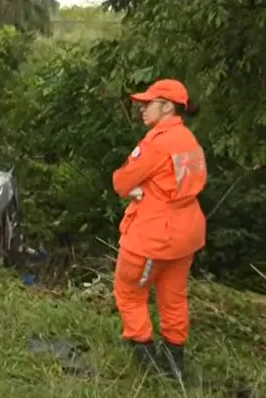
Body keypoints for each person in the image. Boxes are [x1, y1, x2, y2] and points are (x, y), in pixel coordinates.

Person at [112, 79, 206, 379]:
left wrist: (138, 189)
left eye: (148, 103)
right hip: (186, 233)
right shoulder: (189, 140)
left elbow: (121, 182)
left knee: (129, 293)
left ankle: (146, 359)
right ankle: (175, 361)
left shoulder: (156, 143)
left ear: (167, 106)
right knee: (174, 296)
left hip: (153, 235)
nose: (141, 108)